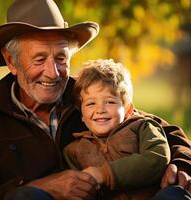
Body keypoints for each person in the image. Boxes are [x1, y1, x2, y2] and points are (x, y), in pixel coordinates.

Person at [0, 0, 191, 199]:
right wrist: (38, 188)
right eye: (39, 59)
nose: (53, 73)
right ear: (11, 61)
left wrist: (182, 167)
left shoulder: (90, 94)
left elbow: (165, 131)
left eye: (61, 58)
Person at [63, 59, 171, 199]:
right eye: (91, 104)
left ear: (128, 109)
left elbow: (158, 157)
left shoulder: (141, 127)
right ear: (81, 114)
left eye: (110, 102)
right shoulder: (74, 151)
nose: (100, 109)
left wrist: (104, 174)